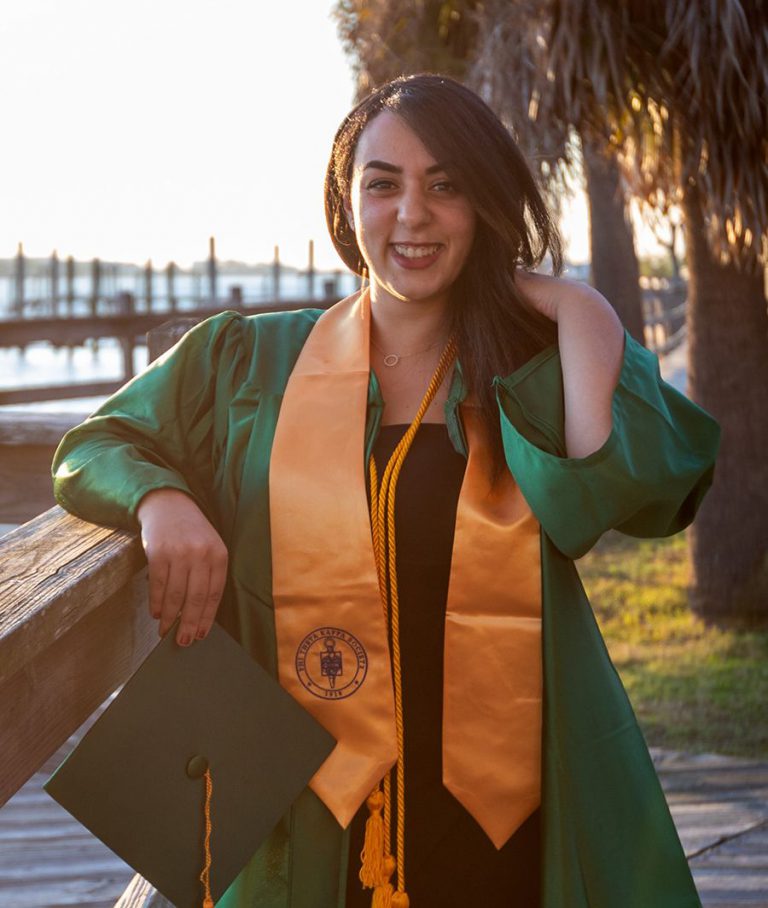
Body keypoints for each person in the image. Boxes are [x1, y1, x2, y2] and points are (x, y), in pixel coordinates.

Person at [52, 73, 720, 908]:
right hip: (301, 793)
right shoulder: (249, 362)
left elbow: (628, 486)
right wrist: (163, 502)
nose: (413, 214)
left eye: (447, 185)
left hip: (505, 796)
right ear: (345, 199)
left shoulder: (522, 366)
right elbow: (96, 443)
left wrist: (576, 307)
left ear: (485, 203)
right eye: (384, 183)